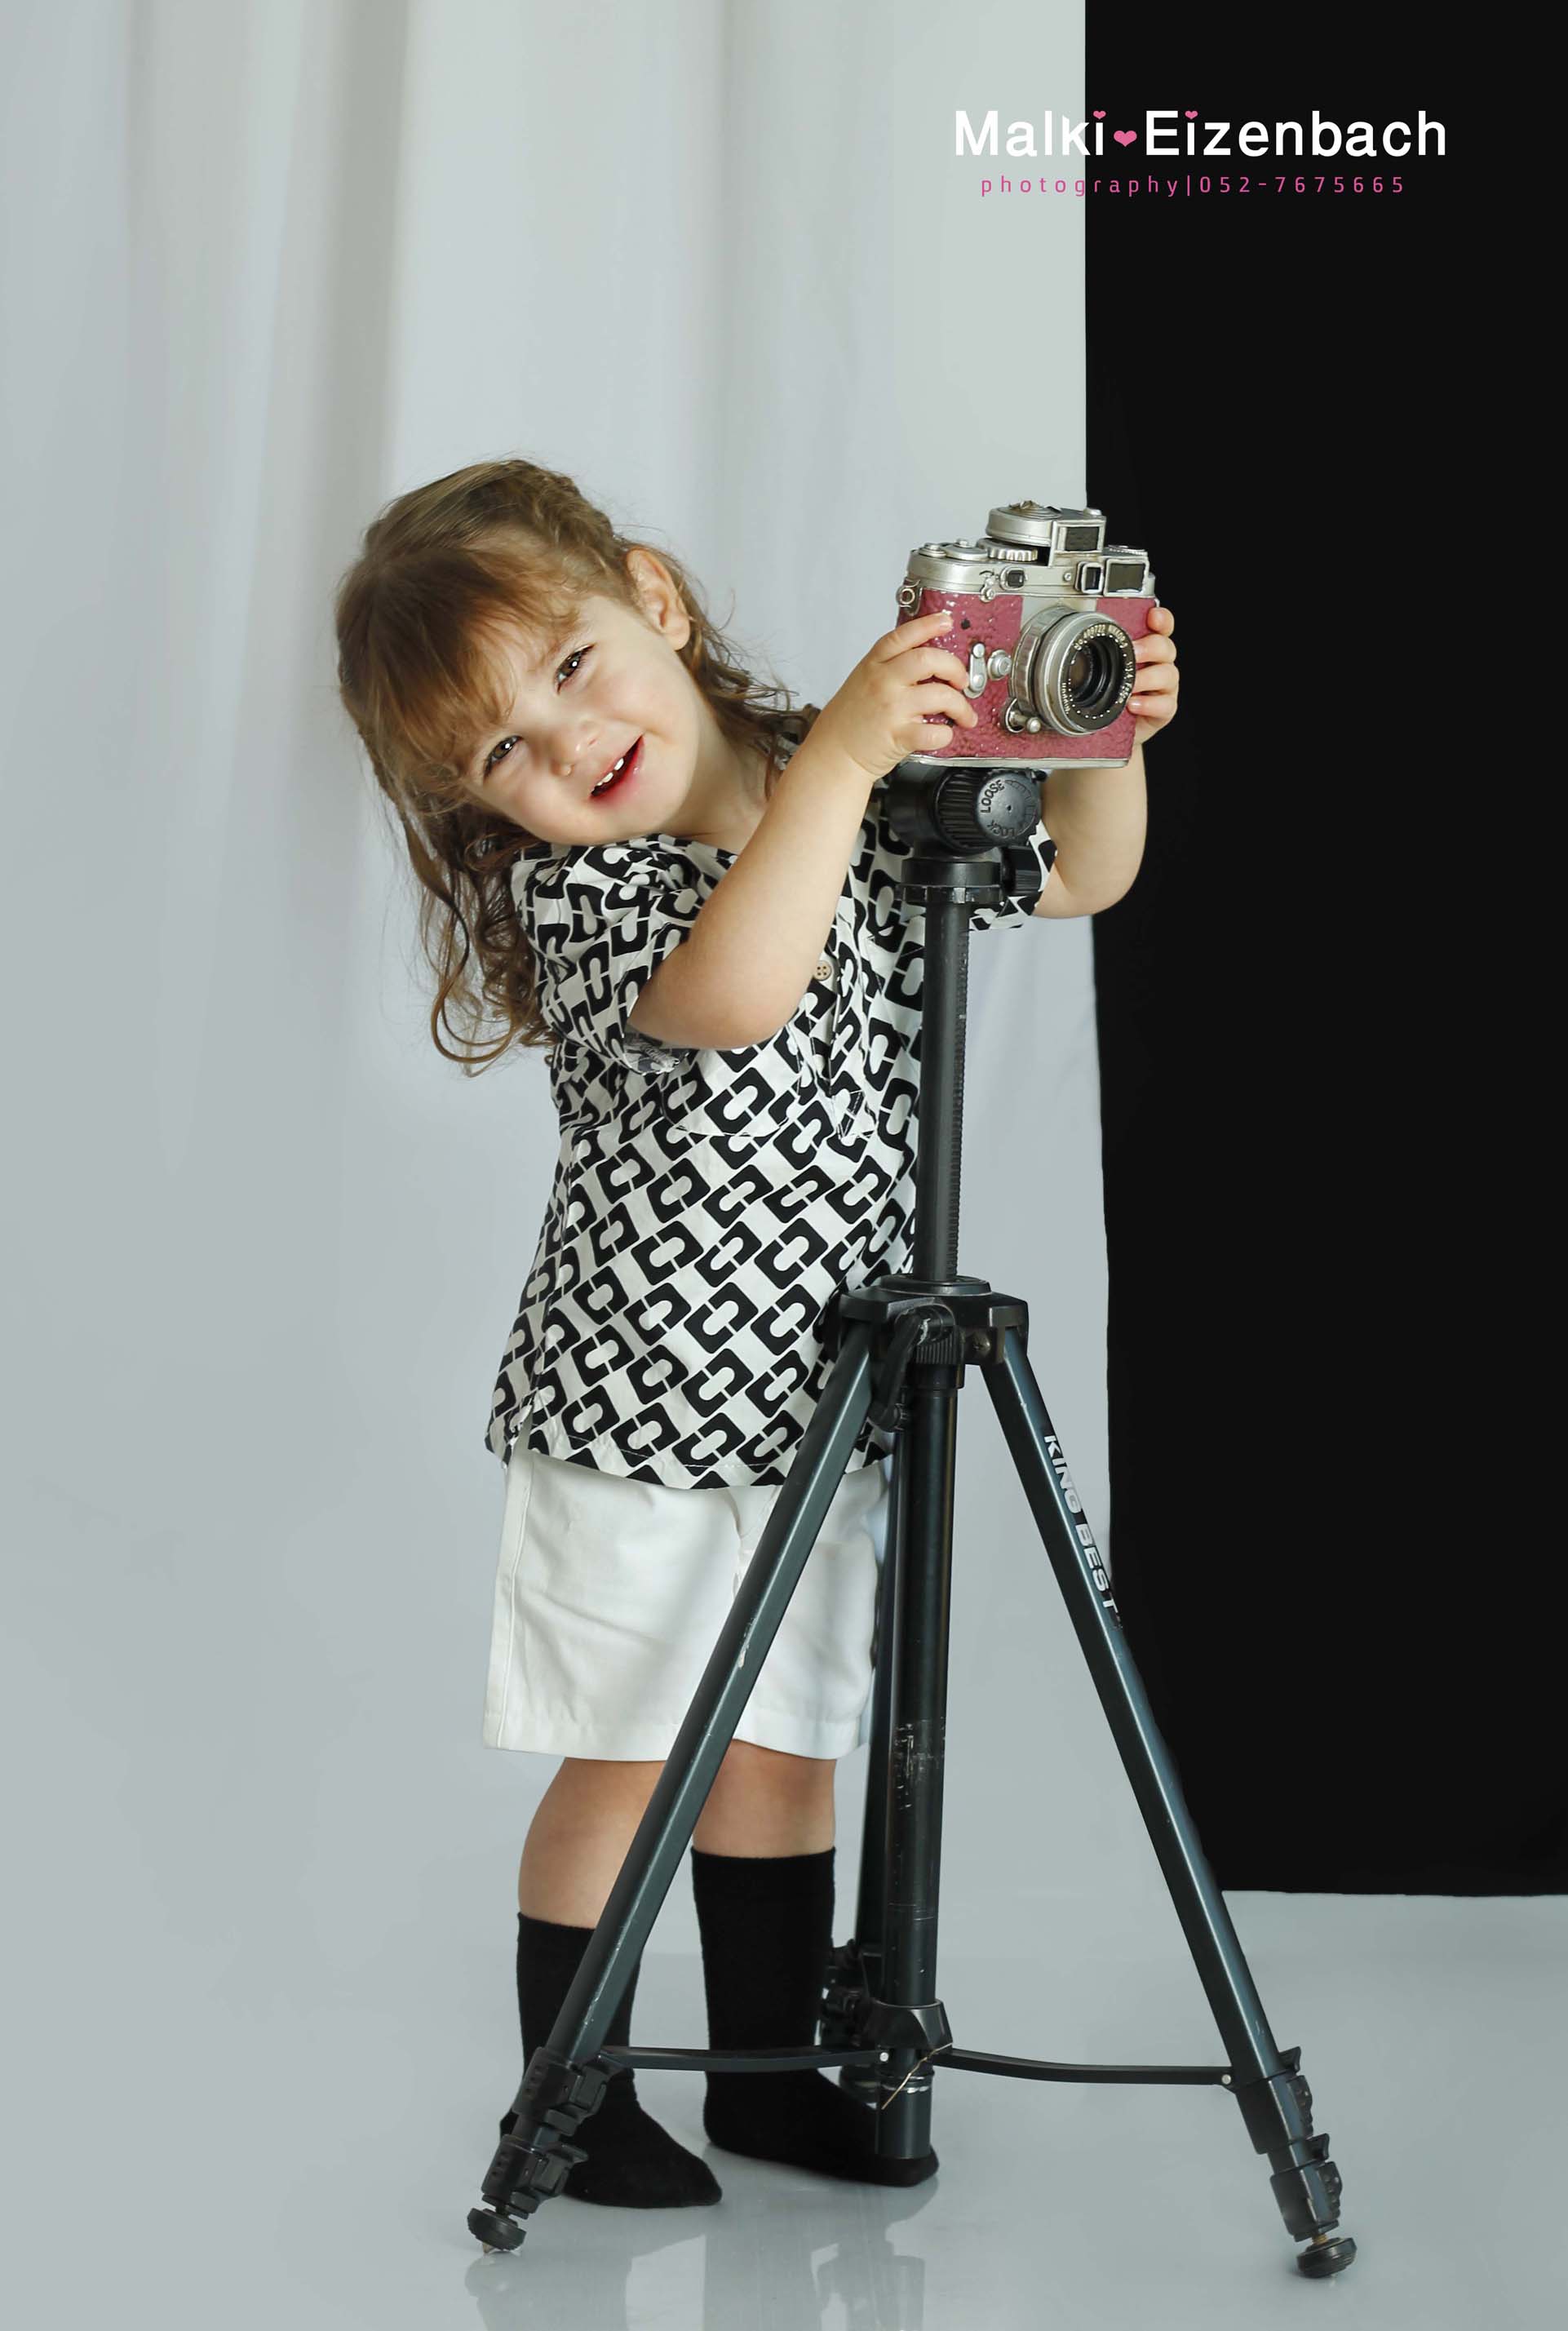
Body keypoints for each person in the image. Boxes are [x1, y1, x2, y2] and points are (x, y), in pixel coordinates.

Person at [332, 459, 1176, 2208]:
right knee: (643, 1746)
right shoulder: (585, 891)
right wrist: (845, 768)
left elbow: (1080, 880)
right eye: (503, 754)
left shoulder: (847, 773)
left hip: (830, 1389)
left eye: (574, 667)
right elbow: (735, 993)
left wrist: (1104, 733)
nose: (568, 746)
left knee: (789, 1740)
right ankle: (567, 2103)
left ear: (654, 596)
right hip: (642, 1400)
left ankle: (768, 2076)